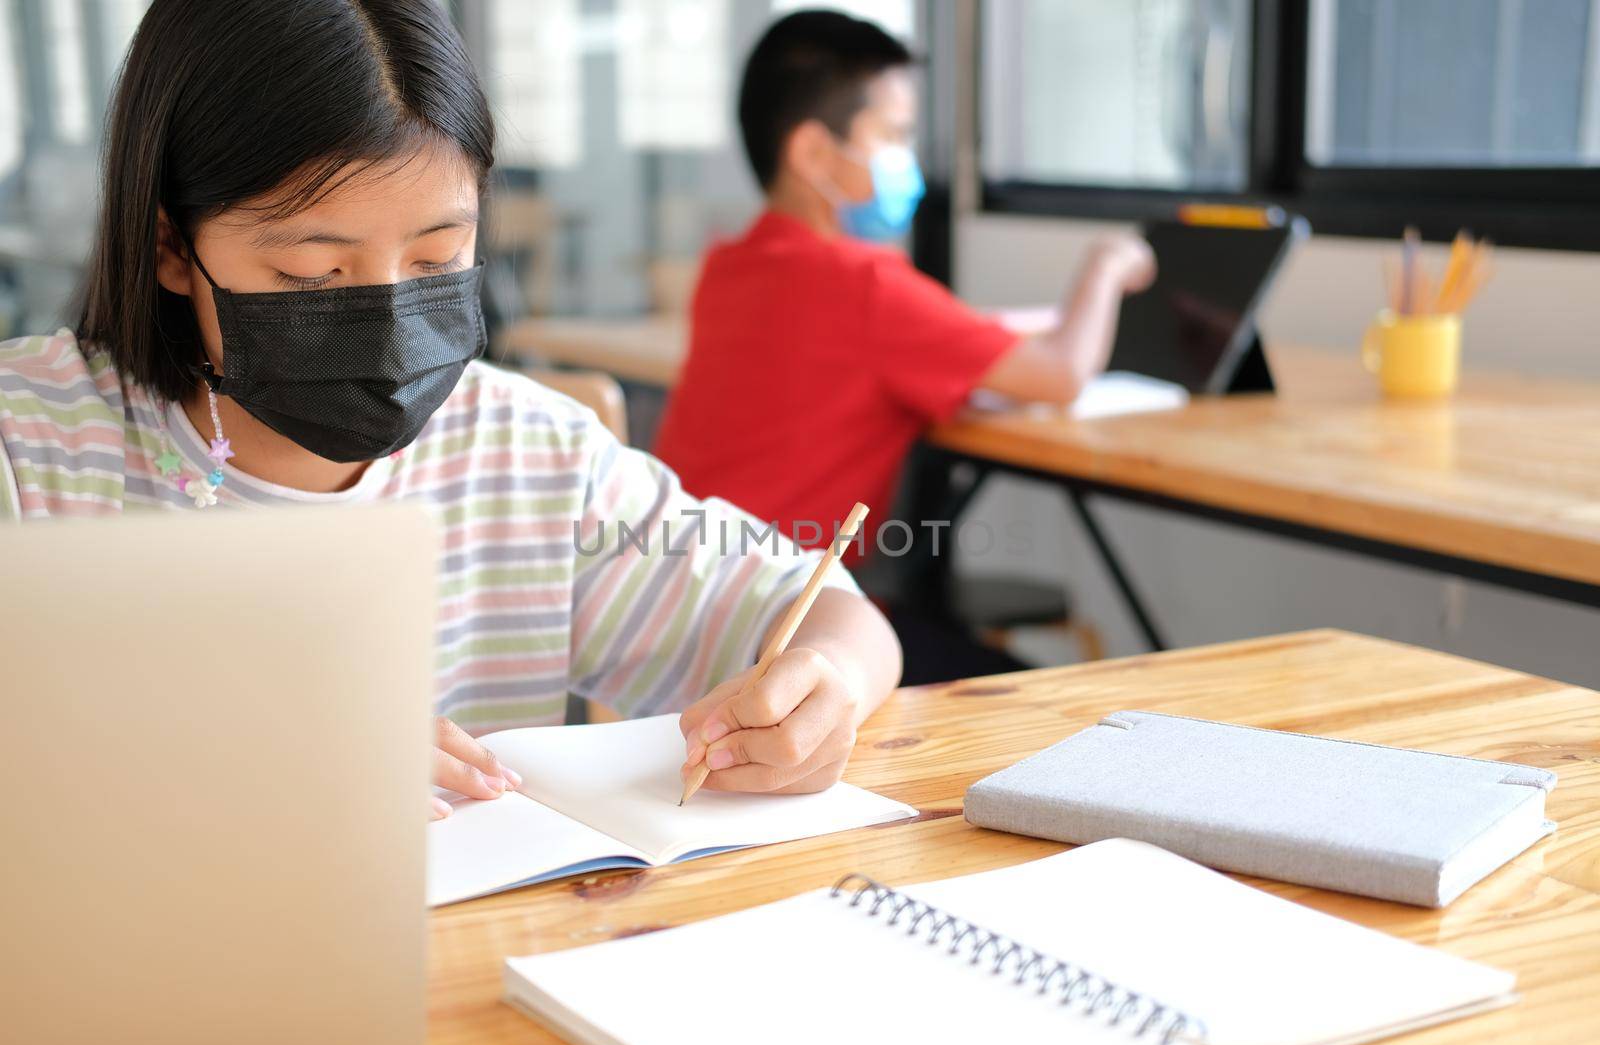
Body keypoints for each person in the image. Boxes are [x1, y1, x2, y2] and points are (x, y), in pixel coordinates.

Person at [0, 0, 900, 818]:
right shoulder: (29, 450)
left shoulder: (527, 455)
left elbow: (822, 614)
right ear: (169, 244)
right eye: (312, 274)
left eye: (437, 259)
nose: (389, 325)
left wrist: (828, 686)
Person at [653, 9, 1156, 560]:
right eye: (893, 135)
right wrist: (1105, 268)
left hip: (683, 586)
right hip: (780, 620)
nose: (905, 159)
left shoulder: (731, 265)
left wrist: (1040, 317)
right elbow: (1061, 374)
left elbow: (937, 331)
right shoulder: (865, 285)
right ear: (813, 154)